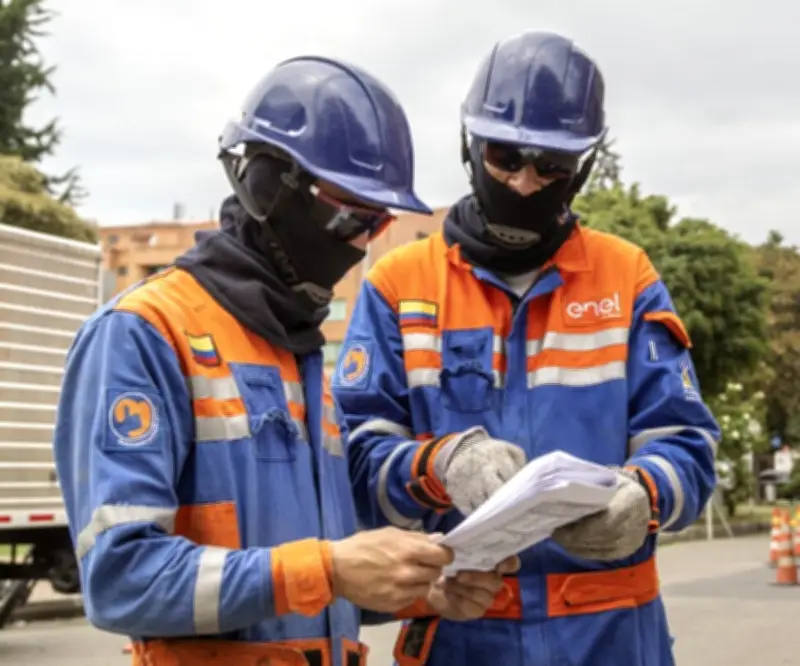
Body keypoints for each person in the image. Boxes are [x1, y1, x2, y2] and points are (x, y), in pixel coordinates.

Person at [53, 55, 517, 666]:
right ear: (268, 184)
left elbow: (315, 579)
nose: (362, 242)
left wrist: (421, 591)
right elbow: (120, 580)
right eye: (350, 215)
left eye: (377, 221)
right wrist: (329, 568)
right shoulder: (143, 333)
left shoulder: (298, 352)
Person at [331, 32, 720, 666]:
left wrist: (644, 495)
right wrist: (438, 464)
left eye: (552, 166)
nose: (524, 182)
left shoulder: (627, 278)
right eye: (505, 156)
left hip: (612, 640)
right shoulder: (399, 285)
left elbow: (687, 443)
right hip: (461, 637)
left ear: (582, 168)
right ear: (469, 144)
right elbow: (354, 456)